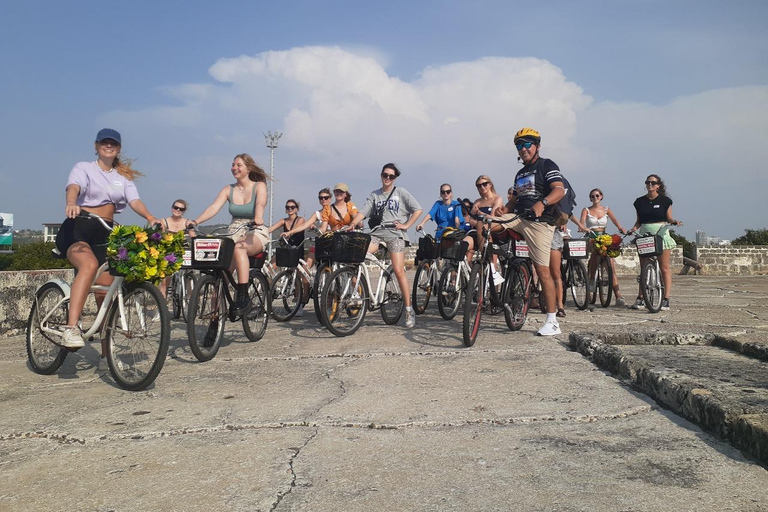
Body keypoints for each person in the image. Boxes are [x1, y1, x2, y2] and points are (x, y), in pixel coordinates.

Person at [56, 128, 161, 348]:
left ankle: (106, 349)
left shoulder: (122, 177)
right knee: (89, 265)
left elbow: (134, 200)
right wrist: (71, 203)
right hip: (79, 227)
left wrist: (150, 217)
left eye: (113, 143)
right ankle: (71, 327)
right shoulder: (83, 168)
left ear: (119, 149)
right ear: (96, 146)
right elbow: (73, 187)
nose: (108, 146)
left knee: (106, 289)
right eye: (104, 142)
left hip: (106, 231)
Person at [494, 127, 566, 336]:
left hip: (540, 223)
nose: (523, 148)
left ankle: (552, 321)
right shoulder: (520, 173)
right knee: (486, 225)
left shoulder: (546, 165)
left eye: (527, 144)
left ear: (537, 146)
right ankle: (489, 272)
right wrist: (503, 211)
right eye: (519, 145)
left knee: (543, 271)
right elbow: (515, 199)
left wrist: (542, 203)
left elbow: (559, 190)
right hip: (519, 219)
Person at [188, 153, 269, 316]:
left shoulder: (258, 186)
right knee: (219, 277)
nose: (234, 168)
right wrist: (196, 222)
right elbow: (213, 208)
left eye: (239, 165)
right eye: (233, 165)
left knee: (239, 248)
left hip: (254, 229)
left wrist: (258, 217)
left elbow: (260, 203)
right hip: (234, 230)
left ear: (249, 168)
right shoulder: (228, 189)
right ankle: (213, 321)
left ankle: (243, 294)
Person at [348, 163, 423, 328]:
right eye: (385, 175)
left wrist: (407, 225)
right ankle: (357, 296)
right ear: (381, 175)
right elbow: (363, 212)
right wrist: (353, 224)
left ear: (395, 178)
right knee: (357, 259)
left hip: (395, 235)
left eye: (391, 176)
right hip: (377, 234)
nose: (387, 178)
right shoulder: (375, 195)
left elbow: (418, 209)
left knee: (398, 270)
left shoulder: (401, 192)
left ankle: (409, 310)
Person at [627, 174, 682, 310]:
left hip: (660, 233)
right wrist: (633, 229)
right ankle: (641, 297)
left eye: (653, 182)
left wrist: (674, 221)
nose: (650, 185)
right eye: (648, 182)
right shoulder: (639, 202)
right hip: (645, 234)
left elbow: (669, 218)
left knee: (664, 268)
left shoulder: (665, 201)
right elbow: (639, 221)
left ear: (658, 185)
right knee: (644, 268)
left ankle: (666, 298)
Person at [580, 188, 628, 306]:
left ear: (601, 196)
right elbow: (582, 221)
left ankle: (618, 296)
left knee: (611, 264)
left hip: (604, 235)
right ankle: (591, 279)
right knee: (596, 250)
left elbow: (614, 220)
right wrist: (581, 226)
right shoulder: (586, 210)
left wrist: (620, 227)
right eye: (592, 196)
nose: (595, 198)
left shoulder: (606, 209)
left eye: (597, 195)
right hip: (592, 235)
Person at [464, 176, 504, 283]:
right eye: (479, 185)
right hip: (479, 231)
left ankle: (489, 264)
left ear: (490, 184)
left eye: (484, 184)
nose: (482, 187)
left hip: (493, 230)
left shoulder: (497, 199)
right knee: (463, 244)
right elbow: (470, 220)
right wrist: (479, 222)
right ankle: (469, 277)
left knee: (482, 224)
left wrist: (480, 214)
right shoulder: (477, 202)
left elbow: (492, 217)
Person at [281, 188, 333, 271]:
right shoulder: (317, 214)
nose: (323, 199)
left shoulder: (334, 212)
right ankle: (308, 283)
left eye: (326, 197)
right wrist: (289, 232)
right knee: (306, 267)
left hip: (333, 243)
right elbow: (305, 225)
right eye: (320, 198)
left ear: (330, 199)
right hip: (320, 243)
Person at [157, 199, 192, 299]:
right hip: (169, 251)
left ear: (184, 211)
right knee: (165, 280)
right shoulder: (164, 222)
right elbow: (160, 237)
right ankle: (162, 304)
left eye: (181, 209)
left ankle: (191, 303)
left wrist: (191, 228)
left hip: (184, 250)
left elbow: (193, 237)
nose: (178, 210)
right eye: (176, 207)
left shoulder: (186, 223)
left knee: (189, 276)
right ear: (172, 208)